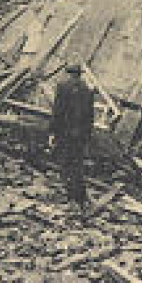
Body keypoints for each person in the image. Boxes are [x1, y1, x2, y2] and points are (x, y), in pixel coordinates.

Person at [49, 63, 95, 208]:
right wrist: (87, 136)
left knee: (65, 163)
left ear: (69, 73)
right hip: (80, 134)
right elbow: (90, 116)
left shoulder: (63, 87)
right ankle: (79, 196)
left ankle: (70, 196)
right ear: (80, 74)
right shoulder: (87, 90)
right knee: (77, 163)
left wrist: (52, 132)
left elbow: (58, 111)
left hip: (65, 132)